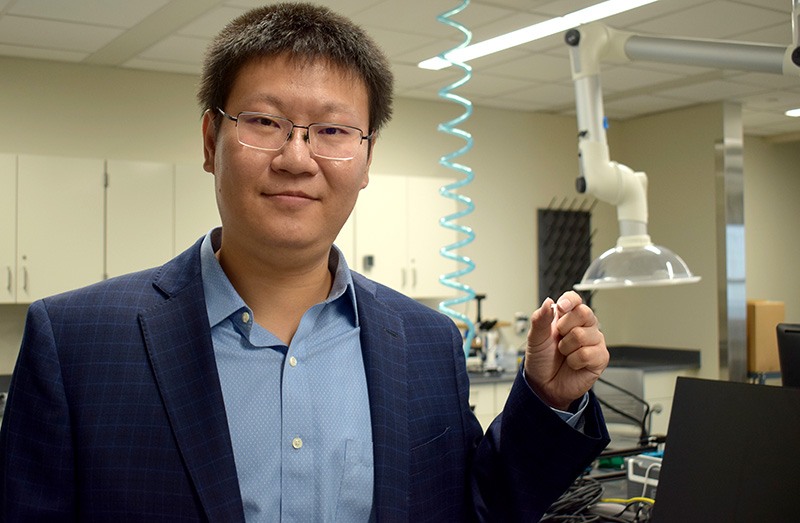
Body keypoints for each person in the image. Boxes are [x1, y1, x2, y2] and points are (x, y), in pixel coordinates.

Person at [0, 3, 610, 522]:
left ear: (368, 159)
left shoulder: (425, 342)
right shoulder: (78, 344)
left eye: (334, 131)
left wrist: (547, 402)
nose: (297, 157)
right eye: (265, 122)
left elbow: (478, 507)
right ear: (211, 140)